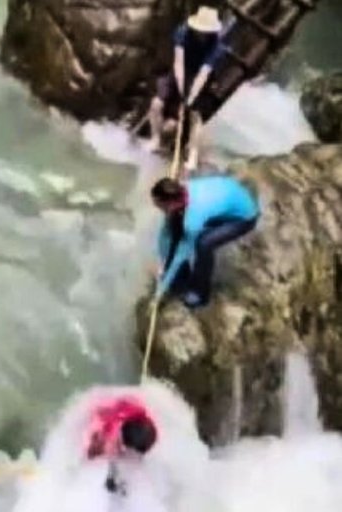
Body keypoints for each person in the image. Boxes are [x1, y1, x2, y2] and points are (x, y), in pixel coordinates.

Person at [152, 175, 259, 309]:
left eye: (160, 207)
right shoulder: (182, 189)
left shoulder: (193, 218)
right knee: (176, 225)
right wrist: (163, 261)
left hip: (245, 218)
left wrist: (161, 290)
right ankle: (180, 275)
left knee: (203, 244)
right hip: (232, 197)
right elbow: (165, 232)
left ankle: (200, 294)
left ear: (171, 204)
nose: (160, 210)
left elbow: (182, 253)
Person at [145, 5, 229, 169]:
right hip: (180, 71)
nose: (201, 33)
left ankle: (192, 155)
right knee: (156, 103)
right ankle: (155, 140)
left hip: (200, 77)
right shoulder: (183, 32)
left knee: (195, 115)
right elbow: (178, 63)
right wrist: (182, 91)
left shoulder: (217, 47)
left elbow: (203, 74)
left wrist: (190, 99)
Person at [85, 396, 157, 495]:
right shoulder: (112, 424)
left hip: (135, 429)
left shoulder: (146, 433)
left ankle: (122, 483)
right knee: (104, 448)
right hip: (113, 417)